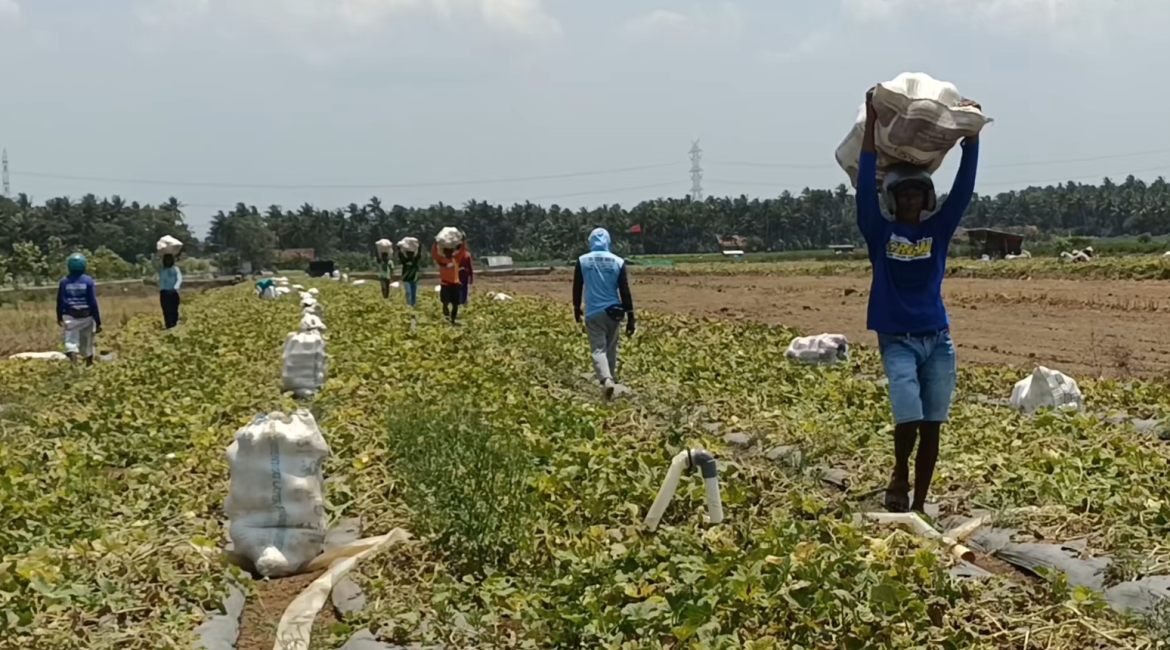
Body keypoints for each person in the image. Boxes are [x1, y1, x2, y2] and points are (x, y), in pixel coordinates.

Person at [856, 89, 980, 513]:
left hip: (937, 338)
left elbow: (962, 194)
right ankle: (898, 474)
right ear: (893, 200)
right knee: (907, 414)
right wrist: (872, 119)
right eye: (903, 195)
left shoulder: (939, 231)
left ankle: (920, 503)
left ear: (926, 198)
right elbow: (866, 176)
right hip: (897, 339)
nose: (910, 200)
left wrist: (973, 143)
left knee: (933, 423)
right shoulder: (880, 232)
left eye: (917, 194)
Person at [572, 228, 636, 399]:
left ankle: (606, 380)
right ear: (608, 241)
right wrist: (631, 317)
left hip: (594, 312)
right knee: (611, 347)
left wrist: (576, 309)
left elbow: (577, 287)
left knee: (598, 349)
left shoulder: (583, 260)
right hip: (614, 312)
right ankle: (612, 381)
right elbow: (625, 291)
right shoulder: (617, 261)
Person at [56, 253, 102, 367]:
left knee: (71, 341)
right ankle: (89, 365)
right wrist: (98, 320)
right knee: (87, 341)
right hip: (86, 315)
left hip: (70, 315)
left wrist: (59, 315)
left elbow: (60, 300)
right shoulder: (88, 281)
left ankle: (74, 365)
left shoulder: (64, 282)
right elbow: (92, 302)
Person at [432, 239, 468, 325]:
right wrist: (435, 244)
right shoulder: (441, 260)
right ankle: (447, 318)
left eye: (450, 252)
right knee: (445, 303)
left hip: (455, 285)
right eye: (447, 252)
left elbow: (462, 251)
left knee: (455, 304)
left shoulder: (456, 259)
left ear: (452, 252)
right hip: (445, 285)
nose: (449, 254)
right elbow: (434, 254)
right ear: (444, 252)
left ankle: (452, 319)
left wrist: (463, 241)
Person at [157, 252, 183, 329]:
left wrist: (176, 286)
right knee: (166, 311)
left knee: (174, 310)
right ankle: (168, 326)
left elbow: (179, 278)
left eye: (169, 260)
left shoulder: (176, 269)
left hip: (173, 292)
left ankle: (174, 326)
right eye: (166, 260)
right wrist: (156, 255)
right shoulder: (162, 270)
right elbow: (154, 262)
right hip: (164, 292)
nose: (168, 261)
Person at [398, 244, 422, 308]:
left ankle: (413, 305)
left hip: (414, 279)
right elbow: (400, 255)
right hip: (407, 280)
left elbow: (419, 254)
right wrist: (399, 249)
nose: (410, 255)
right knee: (408, 292)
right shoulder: (405, 261)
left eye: (411, 254)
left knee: (414, 293)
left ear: (413, 254)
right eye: (408, 254)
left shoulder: (415, 260)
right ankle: (408, 304)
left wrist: (419, 247)